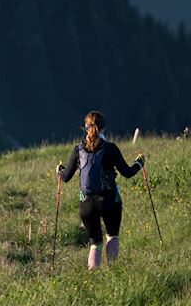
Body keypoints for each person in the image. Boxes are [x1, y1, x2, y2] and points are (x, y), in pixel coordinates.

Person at [57, 111, 145, 270]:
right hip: (109, 201)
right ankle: (113, 272)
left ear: (85, 127)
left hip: (86, 204)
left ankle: (94, 279)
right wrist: (139, 164)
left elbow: (65, 177)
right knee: (112, 236)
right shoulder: (110, 148)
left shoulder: (78, 149)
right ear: (104, 128)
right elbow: (127, 172)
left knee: (95, 244)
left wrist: (59, 170)